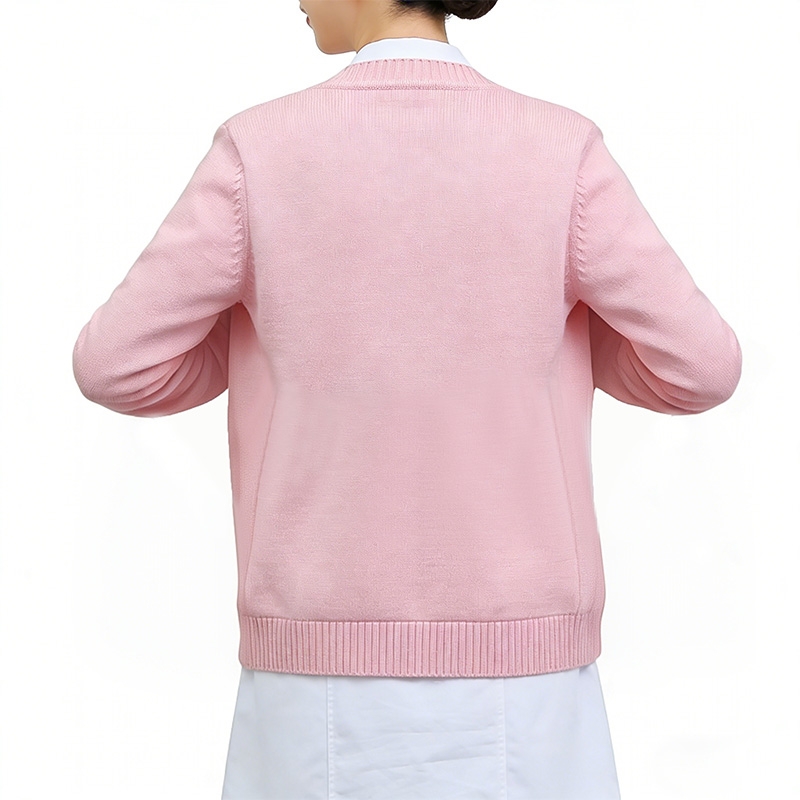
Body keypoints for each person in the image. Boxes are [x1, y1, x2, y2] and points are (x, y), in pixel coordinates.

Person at [71, 1, 743, 797]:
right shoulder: (560, 148)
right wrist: (543, 345)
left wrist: (270, 344)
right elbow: (699, 367)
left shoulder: (260, 148)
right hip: (528, 680)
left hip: (311, 677)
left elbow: (116, 364)